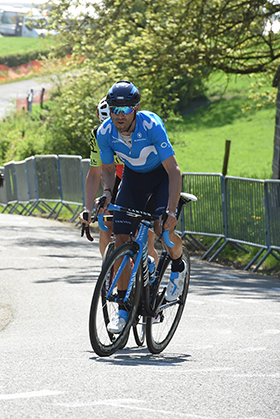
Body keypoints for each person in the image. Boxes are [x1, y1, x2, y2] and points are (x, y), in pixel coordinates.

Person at [97, 80, 187, 334]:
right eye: (114, 109)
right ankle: (124, 309)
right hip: (133, 179)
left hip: (161, 177)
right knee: (121, 238)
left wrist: (170, 210)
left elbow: (174, 170)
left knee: (164, 231)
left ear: (136, 108)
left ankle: (178, 267)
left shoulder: (151, 126)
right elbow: (106, 169)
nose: (119, 115)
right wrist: (106, 192)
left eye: (125, 109)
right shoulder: (105, 132)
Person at [80, 98, 158, 261]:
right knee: (106, 222)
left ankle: (149, 279)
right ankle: (109, 269)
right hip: (118, 179)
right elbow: (95, 173)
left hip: (145, 177)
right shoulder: (98, 135)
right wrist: (87, 208)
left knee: (146, 239)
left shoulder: (140, 131)